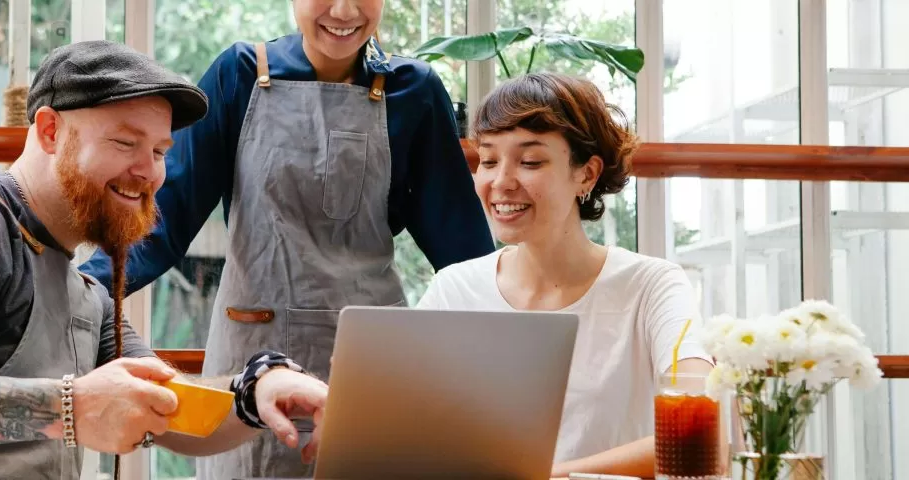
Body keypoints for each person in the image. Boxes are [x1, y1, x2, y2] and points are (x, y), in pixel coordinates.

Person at [0, 40, 329, 480]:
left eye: (161, 151)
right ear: (50, 131)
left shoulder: (83, 292)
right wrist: (74, 407)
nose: (149, 172)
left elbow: (169, 411)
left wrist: (256, 390)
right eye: (126, 142)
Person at [80, 2, 494, 476]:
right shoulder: (238, 75)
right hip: (249, 361)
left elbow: (464, 255)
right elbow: (161, 225)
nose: (343, 10)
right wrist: (77, 293)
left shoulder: (414, 91)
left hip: (370, 364)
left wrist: (512, 373)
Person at [415, 73, 715, 479]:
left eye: (530, 161)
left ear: (587, 174)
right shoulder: (453, 290)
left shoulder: (652, 287)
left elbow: (704, 432)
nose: (501, 182)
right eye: (487, 160)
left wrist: (550, 474)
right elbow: (406, 432)